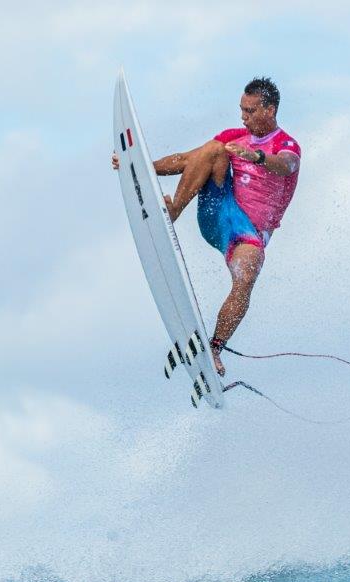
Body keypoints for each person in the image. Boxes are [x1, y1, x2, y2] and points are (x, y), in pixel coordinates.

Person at [112, 77, 301, 376]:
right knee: (213, 149)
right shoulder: (233, 136)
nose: (244, 117)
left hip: (247, 234)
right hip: (218, 211)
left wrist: (258, 157)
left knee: (247, 273)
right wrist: (138, 166)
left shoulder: (286, 145)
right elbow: (189, 160)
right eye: (242, 110)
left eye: (250, 111)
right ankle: (172, 211)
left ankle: (215, 348)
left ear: (270, 110)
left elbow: (287, 165)